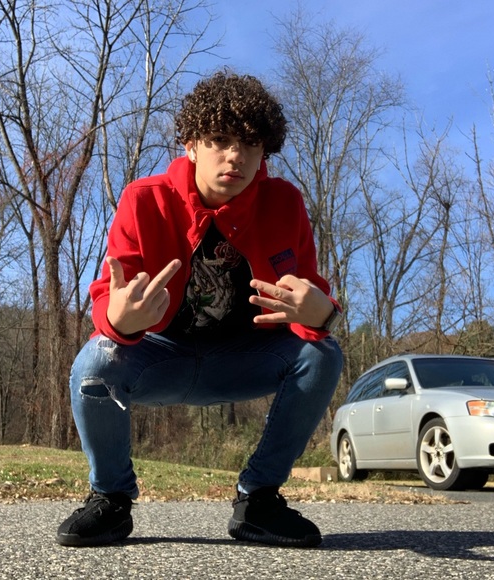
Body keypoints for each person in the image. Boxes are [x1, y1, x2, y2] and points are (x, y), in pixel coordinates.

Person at [56, 71, 343, 549]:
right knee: (95, 361)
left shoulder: (284, 203)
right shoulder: (144, 199)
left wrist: (322, 314)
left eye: (250, 144)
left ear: (264, 154)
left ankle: (258, 500)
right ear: (190, 146)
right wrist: (119, 320)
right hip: (158, 356)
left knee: (324, 354)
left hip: (243, 359)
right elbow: (108, 299)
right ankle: (110, 498)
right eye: (220, 140)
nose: (236, 155)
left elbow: (310, 299)